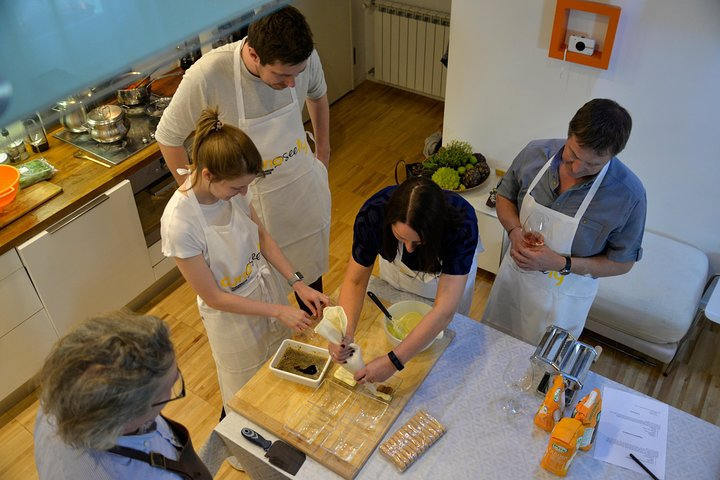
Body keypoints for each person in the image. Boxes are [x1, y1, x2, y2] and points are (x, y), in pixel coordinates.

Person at [155, 6, 331, 314]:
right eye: (281, 75)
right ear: (252, 53)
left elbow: (317, 94)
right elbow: (168, 136)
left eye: (297, 74)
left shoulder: (304, 58)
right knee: (264, 291)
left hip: (301, 187)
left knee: (308, 274)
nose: (292, 84)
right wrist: (197, 200)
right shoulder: (209, 74)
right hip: (252, 202)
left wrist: (323, 154)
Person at [161, 107, 330, 413]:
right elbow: (214, 297)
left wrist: (297, 284)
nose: (242, 193)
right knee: (244, 389)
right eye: (236, 187)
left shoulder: (235, 192)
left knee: (277, 364)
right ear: (208, 174)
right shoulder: (180, 223)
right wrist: (279, 310)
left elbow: (262, 237)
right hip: (231, 318)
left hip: (263, 288)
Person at [482, 98, 647, 346]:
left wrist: (561, 263)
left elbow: (622, 263)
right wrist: (515, 231)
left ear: (614, 155)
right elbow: (505, 196)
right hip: (513, 281)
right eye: (573, 154)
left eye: (593, 163)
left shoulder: (628, 195)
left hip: (562, 301)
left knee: (542, 369)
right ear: (569, 134)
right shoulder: (534, 154)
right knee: (493, 344)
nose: (578, 168)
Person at [329, 176, 481, 383]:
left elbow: (444, 311)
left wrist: (394, 362)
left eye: (417, 242)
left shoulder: (461, 223)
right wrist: (343, 333)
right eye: (401, 239)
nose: (409, 249)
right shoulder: (373, 213)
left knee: (442, 348)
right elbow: (355, 281)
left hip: (446, 279)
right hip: (398, 272)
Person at [34, 311, 212, 480]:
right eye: (170, 387)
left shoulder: (60, 392)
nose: (175, 382)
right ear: (125, 418)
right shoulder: (126, 474)